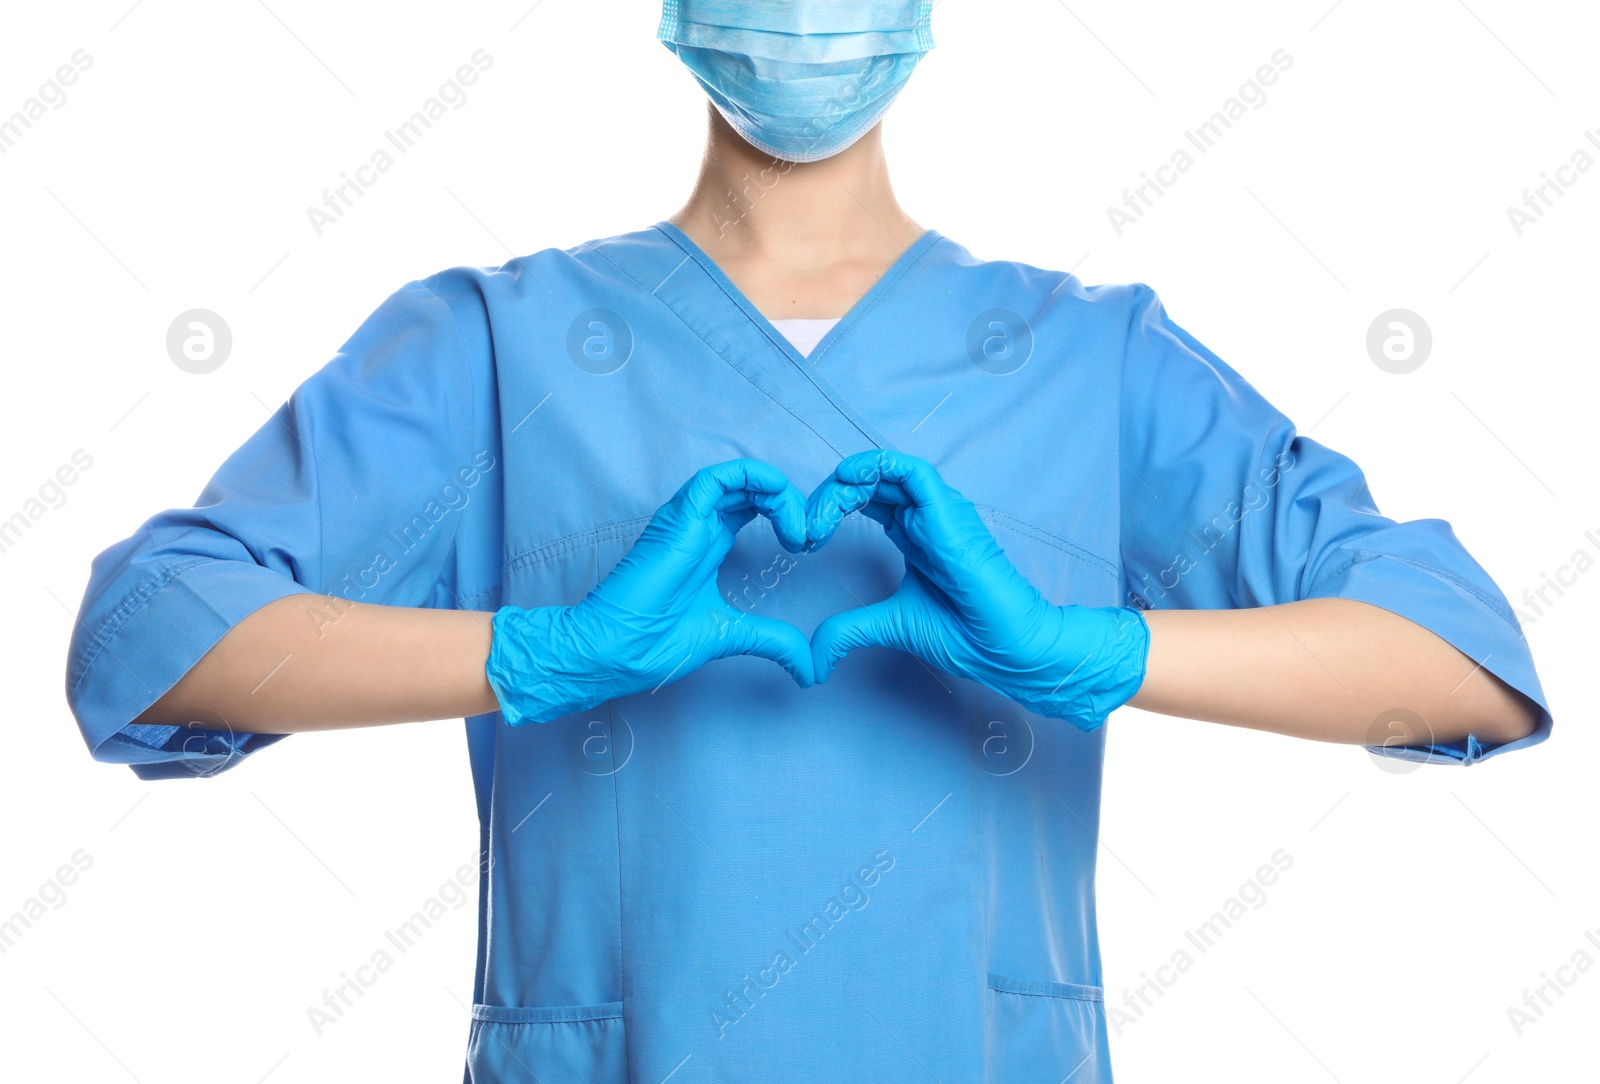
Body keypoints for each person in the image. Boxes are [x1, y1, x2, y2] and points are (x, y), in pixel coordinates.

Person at [64, 2, 1550, 1080]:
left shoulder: (1090, 362)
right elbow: (151, 635)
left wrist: (1096, 651)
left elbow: (1459, 660)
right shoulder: (500, 348)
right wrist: (536, 654)